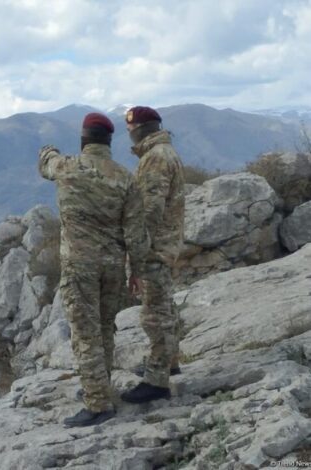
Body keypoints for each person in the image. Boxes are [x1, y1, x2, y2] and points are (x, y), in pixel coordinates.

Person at [38, 112, 150, 427]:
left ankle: (98, 404)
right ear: (109, 140)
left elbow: (45, 163)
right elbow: (135, 233)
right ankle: (100, 386)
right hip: (114, 266)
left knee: (85, 333)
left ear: (84, 139)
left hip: (80, 266)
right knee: (104, 328)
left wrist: (48, 149)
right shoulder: (124, 177)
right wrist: (137, 271)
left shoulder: (66, 167)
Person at [120, 106, 185, 404]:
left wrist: (136, 255)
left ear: (140, 128)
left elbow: (148, 212)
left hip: (155, 249)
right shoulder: (163, 152)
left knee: (154, 316)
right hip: (166, 245)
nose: (129, 133)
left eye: (131, 128)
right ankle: (169, 362)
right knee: (165, 308)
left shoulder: (155, 158)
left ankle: (157, 381)